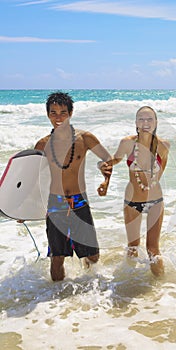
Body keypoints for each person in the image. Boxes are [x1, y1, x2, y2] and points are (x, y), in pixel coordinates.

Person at [34, 91, 112, 281]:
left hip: (79, 201)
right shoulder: (42, 144)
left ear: (71, 112)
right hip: (55, 203)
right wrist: (23, 209)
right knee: (57, 257)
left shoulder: (85, 138)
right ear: (47, 115)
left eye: (63, 112)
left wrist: (105, 178)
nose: (58, 117)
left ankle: (91, 296)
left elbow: (106, 159)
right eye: (53, 113)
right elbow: (33, 178)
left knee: (92, 255)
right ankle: (57, 303)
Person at [97, 106, 169, 276]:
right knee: (133, 246)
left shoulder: (164, 146)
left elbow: (160, 170)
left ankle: (161, 289)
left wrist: (150, 185)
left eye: (149, 119)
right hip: (132, 202)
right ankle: (129, 284)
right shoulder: (127, 143)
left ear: (156, 122)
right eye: (141, 119)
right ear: (136, 123)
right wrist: (103, 170)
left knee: (152, 249)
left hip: (155, 201)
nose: (145, 122)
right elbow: (114, 161)